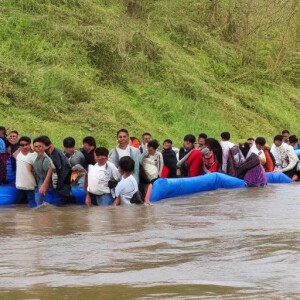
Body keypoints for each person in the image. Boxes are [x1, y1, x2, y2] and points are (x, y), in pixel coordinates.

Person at [40, 136, 72, 201]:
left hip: (62, 188)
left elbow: (55, 170)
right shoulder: (55, 152)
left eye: (41, 146)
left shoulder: (55, 155)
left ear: (50, 146)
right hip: (63, 186)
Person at [13, 136, 37, 206]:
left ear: (30, 145)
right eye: (22, 145)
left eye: (26, 144)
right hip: (19, 185)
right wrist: (19, 147)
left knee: (32, 204)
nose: (24, 147)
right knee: (16, 205)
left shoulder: (34, 155)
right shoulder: (18, 155)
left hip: (30, 186)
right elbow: (14, 154)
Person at [32, 137, 55, 206]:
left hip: (47, 187)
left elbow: (50, 172)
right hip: (39, 184)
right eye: (36, 146)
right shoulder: (36, 158)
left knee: (44, 207)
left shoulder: (46, 160)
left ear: (44, 147)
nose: (38, 148)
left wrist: (44, 186)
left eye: (40, 146)